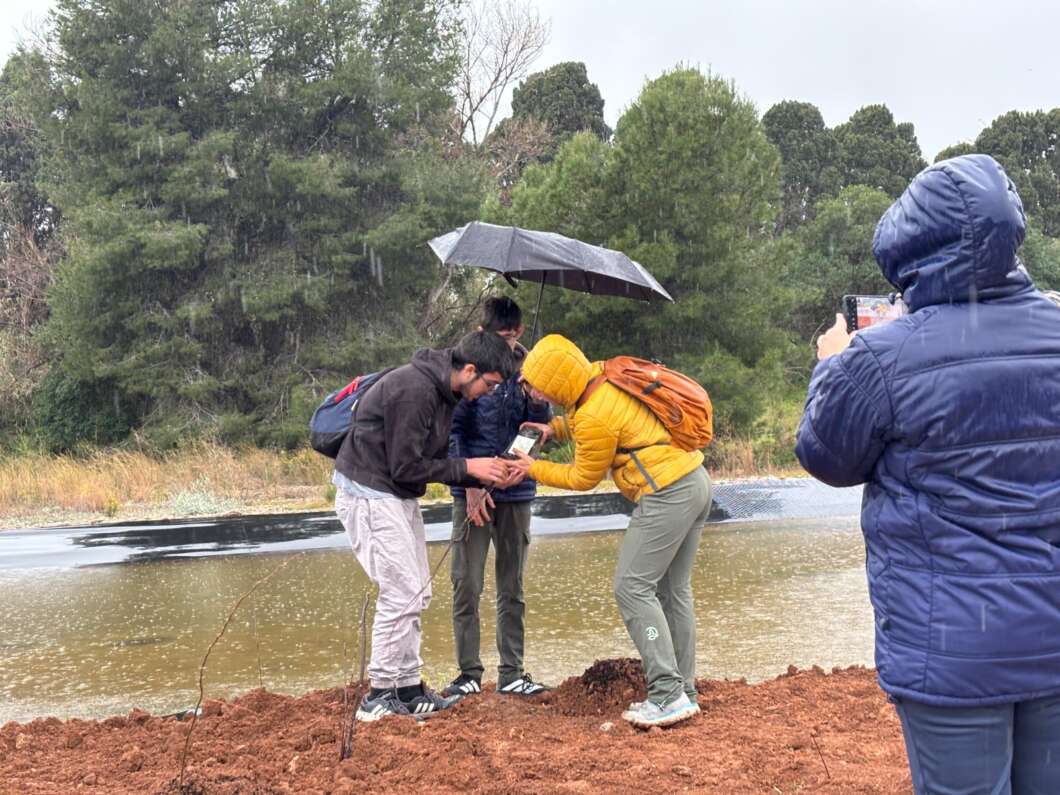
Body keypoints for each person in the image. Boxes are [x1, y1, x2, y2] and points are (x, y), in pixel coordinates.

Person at [795, 154, 1060, 795]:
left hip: (950, 653)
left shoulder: (880, 357)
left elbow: (827, 457)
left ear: (909, 252)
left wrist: (832, 362)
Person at [505, 334, 712, 729]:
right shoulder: (602, 374)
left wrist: (531, 469)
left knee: (631, 587)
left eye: (534, 382)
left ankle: (667, 695)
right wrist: (553, 430)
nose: (531, 389)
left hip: (666, 492)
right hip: (694, 479)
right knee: (672, 590)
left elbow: (583, 477)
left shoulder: (593, 415)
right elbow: (606, 419)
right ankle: (683, 689)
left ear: (556, 381)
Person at [333, 330, 516, 721]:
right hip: (369, 492)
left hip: (396, 494)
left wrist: (475, 477)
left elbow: (422, 461)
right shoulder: (414, 390)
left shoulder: (445, 392)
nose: (488, 392)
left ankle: (409, 687)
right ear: (469, 369)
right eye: (489, 383)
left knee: (418, 591)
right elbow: (407, 464)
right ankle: (380, 694)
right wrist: (469, 468)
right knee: (400, 592)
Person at [442, 297, 553, 699]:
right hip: (470, 491)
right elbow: (451, 432)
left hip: (517, 492)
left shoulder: (533, 369)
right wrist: (469, 483)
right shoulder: (466, 368)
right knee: (466, 584)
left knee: (513, 586)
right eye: (496, 336)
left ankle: (513, 673)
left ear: (520, 332)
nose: (504, 344)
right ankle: (468, 672)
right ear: (479, 331)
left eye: (509, 336)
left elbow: (542, 430)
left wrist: (540, 412)